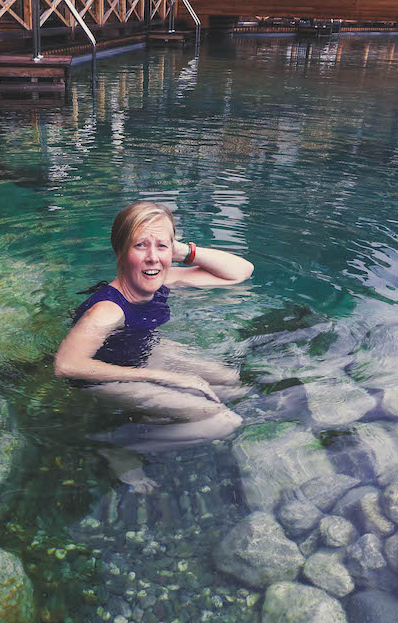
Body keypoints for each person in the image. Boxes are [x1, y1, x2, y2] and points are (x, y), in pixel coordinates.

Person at [54, 200, 253, 484]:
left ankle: (150, 418)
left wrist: (180, 251)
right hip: (101, 376)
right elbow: (66, 365)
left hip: (140, 351)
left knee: (231, 382)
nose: (152, 258)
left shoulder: (163, 277)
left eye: (161, 246)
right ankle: (118, 446)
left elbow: (241, 271)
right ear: (120, 252)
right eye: (140, 246)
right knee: (224, 421)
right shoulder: (107, 311)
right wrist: (162, 377)